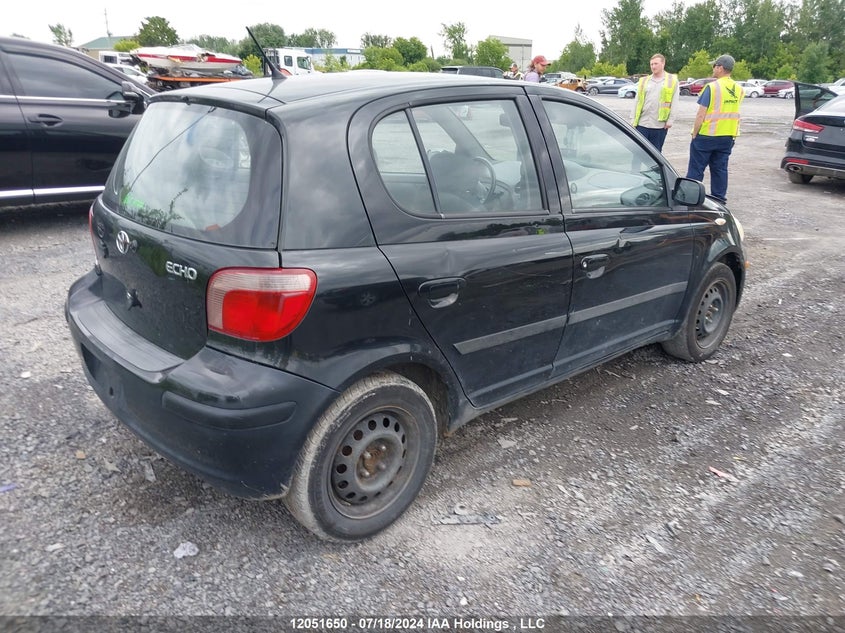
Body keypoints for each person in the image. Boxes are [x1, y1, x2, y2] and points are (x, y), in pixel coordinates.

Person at [686, 54, 744, 204]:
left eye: (714, 66)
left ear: (720, 68)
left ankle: (690, 198)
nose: (713, 69)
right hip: (727, 136)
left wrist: (695, 133)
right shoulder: (739, 89)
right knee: (720, 169)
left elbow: (701, 114)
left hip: (707, 136)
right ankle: (719, 200)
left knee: (696, 170)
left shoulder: (712, 87)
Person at [632, 53, 679, 152]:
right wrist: (633, 119)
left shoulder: (672, 80)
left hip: (659, 125)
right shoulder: (644, 81)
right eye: (651, 64)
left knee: (655, 153)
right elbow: (637, 101)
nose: (653, 66)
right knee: (638, 152)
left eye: (656, 64)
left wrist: (670, 120)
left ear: (663, 63)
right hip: (642, 123)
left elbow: (675, 102)